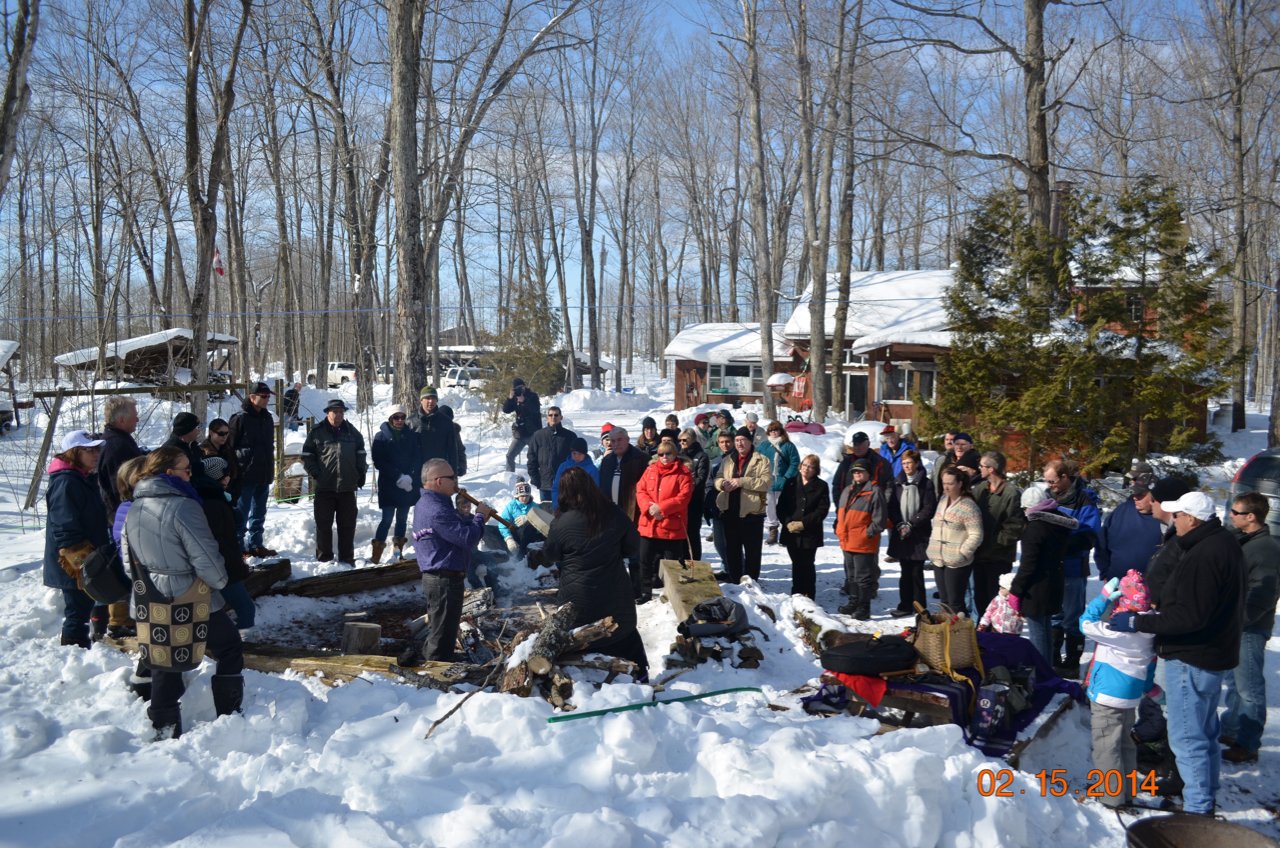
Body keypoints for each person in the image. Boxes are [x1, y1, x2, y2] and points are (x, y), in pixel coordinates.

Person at [1109, 490, 1245, 816]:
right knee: (1206, 733)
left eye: (1179, 516)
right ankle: (1205, 797)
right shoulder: (1219, 543)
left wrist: (1138, 620)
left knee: (1187, 738)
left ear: (1192, 519)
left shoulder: (1205, 554)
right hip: (1211, 653)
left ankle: (1199, 810)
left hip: (1193, 656)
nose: (1174, 520)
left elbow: (1190, 615)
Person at [125, 447, 244, 739]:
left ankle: (165, 730)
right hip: (189, 596)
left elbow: (129, 562)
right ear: (169, 474)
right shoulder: (183, 506)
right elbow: (205, 555)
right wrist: (219, 581)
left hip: (150, 596)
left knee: (164, 660)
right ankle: (230, 717)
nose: (191, 474)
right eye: (186, 469)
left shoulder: (135, 506)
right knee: (229, 646)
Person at [543, 467, 649, 679]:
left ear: (564, 492)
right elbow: (633, 547)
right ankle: (638, 677)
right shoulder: (613, 513)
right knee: (622, 633)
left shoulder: (560, 522)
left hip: (577, 600)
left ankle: (585, 685)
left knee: (581, 638)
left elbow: (550, 555)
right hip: (615, 593)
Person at [1081, 570, 1158, 810]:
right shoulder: (1150, 628)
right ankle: (1127, 791)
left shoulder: (1117, 631)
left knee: (1106, 746)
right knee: (1125, 743)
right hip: (1131, 697)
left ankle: (1110, 798)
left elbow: (1085, 622)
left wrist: (1102, 597)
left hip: (1107, 697)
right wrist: (1150, 689)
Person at [407, 459, 495, 662]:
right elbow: (466, 538)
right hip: (442, 580)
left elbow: (453, 528)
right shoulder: (435, 509)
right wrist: (480, 518)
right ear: (438, 481)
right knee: (442, 636)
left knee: (441, 631)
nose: (455, 481)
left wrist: (475, 519)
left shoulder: (433, 503)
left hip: (441, 578)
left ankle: (434, 667)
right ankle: (436, 678)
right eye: (451, 478)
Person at [1220, 491, 1280, 764]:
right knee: (1234, 682)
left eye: (1235, 512)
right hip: (1233, 624)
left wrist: (1239, 621)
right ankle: (1231, 729)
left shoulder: (1266, 549)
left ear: (1251, 517)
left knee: (1249, 687)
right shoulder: (1240, 540)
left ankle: (1248, 743)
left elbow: (1263, 595)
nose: (1230, 516)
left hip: (1249, 628)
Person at [43, 430, 110, 648]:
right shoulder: (66, 482)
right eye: (89, 450)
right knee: (76, 612)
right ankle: (73, 651)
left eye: (97, 449)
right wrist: (81, 563)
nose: (95, 454)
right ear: (74, 452)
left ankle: (78, 647)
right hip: (74, 560)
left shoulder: (82, 478)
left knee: (82, 608)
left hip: (87, 556)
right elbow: (64, 526)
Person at [1044, 459, 1102, 676]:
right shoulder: (1048, 497)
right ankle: (1053, 657)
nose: (1050, 485)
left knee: (1072, 615)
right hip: (1051, 566)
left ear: (1065, 477)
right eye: (1047, 482)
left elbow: (1089, 534)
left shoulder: (1084, 500)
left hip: (1073, 566)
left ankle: (1072, 661)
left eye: (1053, 481)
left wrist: (1060, 542)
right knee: (1054, 614)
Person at [1010, 485, 1078, 664]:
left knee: (1038, 634)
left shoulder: (1035, 528)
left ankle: (1042, 673)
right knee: (1045, 629)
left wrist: (1016, 590)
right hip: (1053, 583)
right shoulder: (1058, 524)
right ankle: (1047, 670)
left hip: (1036, 589)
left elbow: (1028, 565)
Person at [301, 399, 368, 564]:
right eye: (334, 411)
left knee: (347, 526)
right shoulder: (317, 432)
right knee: (323, 526)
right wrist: (316, 474)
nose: (338, 415)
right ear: (327, 412)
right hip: (325, 488)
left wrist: (361, 473)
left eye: (341, 412)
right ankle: (325, 559)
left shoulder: (352, 432)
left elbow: (361, 453)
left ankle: (347, 558)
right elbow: (307, 457)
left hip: (347, 487)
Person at [194, 455, 255, 631]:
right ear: (217, 476)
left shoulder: (214, 497)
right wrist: (236, 568)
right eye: (226, 473)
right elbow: (222, 541)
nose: (230, 478)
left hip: (219, 565)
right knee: (245, 609)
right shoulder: (214, 502)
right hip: (223, 567)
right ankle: (243, 648)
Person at [634, 442, 694, 602]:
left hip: (671, 525)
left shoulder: (683, 472)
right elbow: (640, 490)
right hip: (649, 524)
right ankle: (645, 592)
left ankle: (673, 592)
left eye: (668, 454)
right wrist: (649, 508)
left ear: (675, 454)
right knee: (645, 560)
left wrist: (662, 508)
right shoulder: (650, 470)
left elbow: (683, 497)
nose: (665, 457)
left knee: (672, 563)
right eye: (661, 454)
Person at [713, 427, 771, 583]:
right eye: (737, 440)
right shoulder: (728, 459)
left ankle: (751, 583)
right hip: (730, 511)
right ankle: (734, 580)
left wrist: (742, 482)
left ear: (750, 442)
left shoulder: (762, 460)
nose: (739, 443)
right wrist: (722, 484)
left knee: (752, 552)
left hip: (752, 514)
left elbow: (765, 483)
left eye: (742, 440)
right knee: (732, 550)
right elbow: (717, 477)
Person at [972, 451, 1024, 619]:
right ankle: (982, 634)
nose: (979, 469)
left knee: (995, 601)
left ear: (992, 469)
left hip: (998, 557)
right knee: (979, 599)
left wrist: (992, 543)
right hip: (979, 555)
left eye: (982, 466)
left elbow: (1014, 527)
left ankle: (996, 638)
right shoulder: (980, 489)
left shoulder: (1011, 493)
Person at [228, 382, 277, 557]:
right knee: (241, 514)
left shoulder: (268, 418)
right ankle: (239, 548)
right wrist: (235, 471)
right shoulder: (239, 418)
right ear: (252, 397)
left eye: (268, 396)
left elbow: (268, 446)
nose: (266, 399)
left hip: (263, 473)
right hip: (245, 475)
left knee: (259, 513)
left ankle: (256, 544)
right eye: (263, 396)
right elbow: (229, 447)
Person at [927, 466, 984, 617]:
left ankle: (961, 636)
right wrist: (931, 547)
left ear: (960, 484)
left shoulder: (968, 506)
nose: (946, 487)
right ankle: (945, 634)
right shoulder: (942, 500)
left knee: (955, 603)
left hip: (957, 561)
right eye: (943, 482)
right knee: (944, 602)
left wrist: (963, 553)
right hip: (938, 559)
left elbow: (976, 534)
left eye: (950, 483)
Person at [835, 459, 888, 620]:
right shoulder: (847, 490)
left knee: (863, 577)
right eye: (855, 471)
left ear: (867, 474)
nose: (857, 474)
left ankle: (864, 608)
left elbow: (880, 520)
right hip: (847, 540)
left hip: (863, 542)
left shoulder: (874, 491)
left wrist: (867, 533)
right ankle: (853, 602)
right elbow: (841, 513)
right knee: (851, 576)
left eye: (861, 471)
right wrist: (839, 529)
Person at [887, 449, 936, 616]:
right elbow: (892, 505)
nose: (906, 466)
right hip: (901, 532)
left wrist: (912, 523)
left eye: (909, 463)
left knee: (916, 572)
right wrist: (899, 523)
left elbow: (929, 508)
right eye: (904, 463)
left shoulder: (926, 483)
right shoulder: (897, 482)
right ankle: (905, 605)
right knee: (904, 571)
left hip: (918, 534)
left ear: (916, 464)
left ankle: (920, 607)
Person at [371, 405, 422, 563]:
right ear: (390, 418)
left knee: (402, 518)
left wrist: (410, 476)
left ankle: (397, 553)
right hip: (389, 484)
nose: (399, 420)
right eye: (396, 417)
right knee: (386, 519)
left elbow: (417, 458)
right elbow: (379, 461)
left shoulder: (411, 436)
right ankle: (376, 555)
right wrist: (398, 476)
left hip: (407, 484)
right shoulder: (381, 437)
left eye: (402, 417)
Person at [1096, 469, 1165, 582]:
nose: (1135, 497)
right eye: (1134, 493)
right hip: (1117, 584)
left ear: (1155, 495)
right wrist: (1105, 573)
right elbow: (1101, 543)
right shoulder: (1122, 510)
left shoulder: (1165, 518)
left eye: (1141, 494)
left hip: (1150, 589)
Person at [778, 453, 830, 599]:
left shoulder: (821, 486)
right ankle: (796, 594)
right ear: (800, 466)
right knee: (796, 564)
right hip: (791, 531)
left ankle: (809, 595)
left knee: (807, 564)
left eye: (811, 467)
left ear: (816, 470)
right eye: (805, 465)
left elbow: (822, 510)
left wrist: (803, 523)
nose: (807, 469)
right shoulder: (790, 483)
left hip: (809, 532)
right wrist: (787, 522)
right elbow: (781, 506)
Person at [97, 396, 145, 516]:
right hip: (122, 515)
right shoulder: (116, 446)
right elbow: (120, 487)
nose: (137, 420)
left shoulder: (119, 439)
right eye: (135, 416)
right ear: (122, 420)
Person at [758, 422, 800, 546]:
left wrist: (787, 477)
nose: (774, 432)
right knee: (770, 507)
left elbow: (795, 462)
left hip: (784, 481)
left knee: (784, 508)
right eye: (771, 430)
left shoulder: (788, 445)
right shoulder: (764, 446)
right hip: (768, 482)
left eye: (776, 430)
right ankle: (773, 531)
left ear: (781, 431)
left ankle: (786, 533)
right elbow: (757, 460)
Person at [410, 386, 467, 478]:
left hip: (440, 474)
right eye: (427, 398)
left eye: (433, 398)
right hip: (416, 474)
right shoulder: (411, 422)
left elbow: (453, 451)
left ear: (437, 401)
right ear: (421, 400)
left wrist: (453, 476)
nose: (430, 401)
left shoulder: (446, 422)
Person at [597, 427, 649, 523]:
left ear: (628, 440)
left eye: (619, 440)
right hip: (611, 514)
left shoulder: (641, 459)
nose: (616, 444)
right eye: (613, 441)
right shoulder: (607, 460)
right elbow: (602, 488)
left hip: (634, 514)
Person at [527, 407, 577, 503]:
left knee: (563, 514)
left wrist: (572, 480)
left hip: (564, 484)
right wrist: (536, 479)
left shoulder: (570, 436)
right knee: (546, 515)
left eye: (556, 415)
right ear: (547, 417)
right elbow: (531, 459)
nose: (553, 417)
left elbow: (575, 460)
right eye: (550, 415)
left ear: (561, 417)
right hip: (545, 485)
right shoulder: (538, 435)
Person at [678, 428, 709, 560]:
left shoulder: (701, 456)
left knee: (693, 534)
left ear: (693, 439)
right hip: (680, 502)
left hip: (695, 500)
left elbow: (701, 478)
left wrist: (685, 487)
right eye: (680, 440)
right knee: (681, 534)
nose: (682, 442)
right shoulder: (679, 455)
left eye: (685, 440)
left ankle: (695, 562)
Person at [162, 411, 212, 489]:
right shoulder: (171, 450)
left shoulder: (192, 445)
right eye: (198, 427)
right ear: (188, 430)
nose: (199, 430)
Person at [706, 430, 735, 564]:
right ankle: (727, 566)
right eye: (722, 442)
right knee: (719, 543)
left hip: (734, 506)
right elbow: (709, 483)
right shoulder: (715, 461)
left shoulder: (738, 459)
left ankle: (735, 569)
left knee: (732, 542)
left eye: (728, 441)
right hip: (717, 506)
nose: (725, 445)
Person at [501, 378, 541, 473]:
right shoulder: (515, 398)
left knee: (538, 457)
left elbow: (535, 409)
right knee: (509, 456)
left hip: (533, 433)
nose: (520, 389)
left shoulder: (532, 396)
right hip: (521, 433)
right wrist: (510, 398)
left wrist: (524, 401)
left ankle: (538, 475)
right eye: (517, 388)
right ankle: (510, 477)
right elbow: (506, 410)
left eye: (521, 387)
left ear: (524, 386)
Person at [551, 436, 599, 510]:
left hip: (583, 510)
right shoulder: (563, 466)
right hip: (563, 507)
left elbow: (595, 493)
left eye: (579, 454)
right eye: (574, 453)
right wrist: (557, 505)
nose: (576, 456)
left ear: (585, 454)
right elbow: (556, 488)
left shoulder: (592, 470)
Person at [499, 481, 545, 556]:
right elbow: (503, 523)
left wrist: (530, 518)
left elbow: (542, 523)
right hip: (516, 533)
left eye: (527, 496)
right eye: (522, 496)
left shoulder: (534, 506)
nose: (524, 498)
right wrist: (509, 539)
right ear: (517, 496)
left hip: (531, 535)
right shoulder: (511, 506)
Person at [201, 418, 240, 504]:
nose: (224, 437)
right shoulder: (202, 451)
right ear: (211, 432)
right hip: (211, 496)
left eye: (227, 433)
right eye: (221, 433)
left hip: (230, 494)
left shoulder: (229, 450)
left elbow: (236, 473)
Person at [929, 430, 958, 496]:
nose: (949, 442)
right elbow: (933, 478)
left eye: (952, 440)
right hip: (938, 497)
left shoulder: (960, 459)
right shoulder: (940, 459)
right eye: (947, 439)